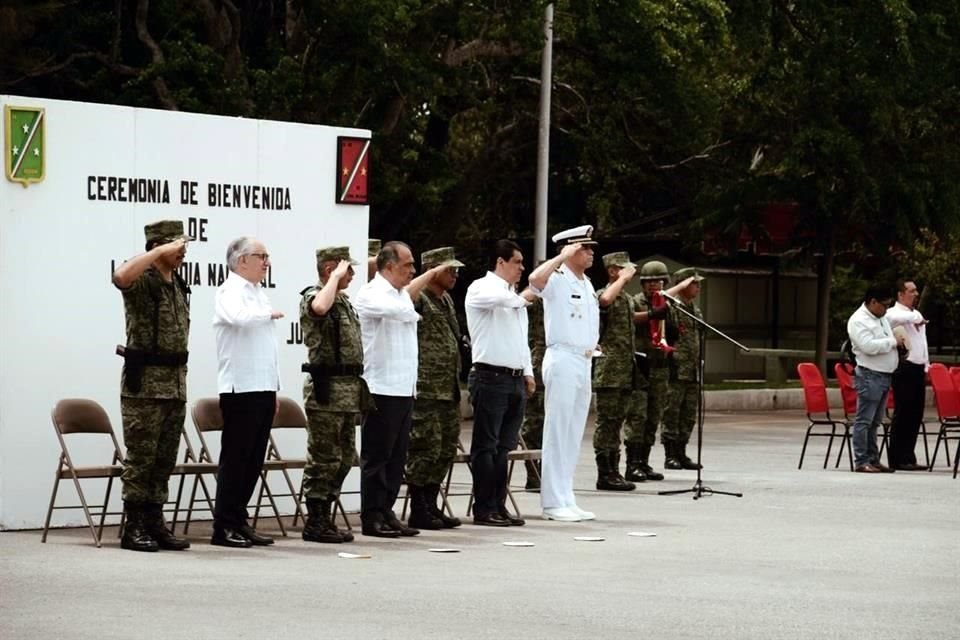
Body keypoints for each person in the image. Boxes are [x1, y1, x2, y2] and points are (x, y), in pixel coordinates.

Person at [354, 241, 444, 537]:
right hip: (381, 387)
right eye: (408, 265)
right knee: (377, 456)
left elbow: (404, 305)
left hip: (404, 387)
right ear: (389, 266)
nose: (412, 270)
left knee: (396, 457)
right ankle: (372, 515)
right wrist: (411, 307)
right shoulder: (370, 293)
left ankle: (387, 510)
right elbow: (397, 311)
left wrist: (410, 299)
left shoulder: (400, 294)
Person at [112, 220, 192, 552]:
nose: (183, 252)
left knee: (164, 459)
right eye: (178, 246)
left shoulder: (178, 283)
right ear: (159, 246)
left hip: (174, 385)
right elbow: (120, 277)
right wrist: (158, 252)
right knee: (141, 459)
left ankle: (155, 522)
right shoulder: (143, 280)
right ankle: (134, 527)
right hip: (144, 386)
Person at [211, 236, 284, 547]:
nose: (267, 262)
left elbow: (266, 348)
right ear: (242, 260)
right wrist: (268, 314)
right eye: (261, 256)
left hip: (262, 386)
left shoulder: (258, 292)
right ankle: (224, 525)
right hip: (240, 388)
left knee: (254, 459)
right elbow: (237, 318)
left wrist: (274, 389)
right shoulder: (229, 290)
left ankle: (240, 520)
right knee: (236, 458)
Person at [527, 226, 600, 522]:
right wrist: (560, 258)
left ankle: (566, 496)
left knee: (573, 432)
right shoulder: (557, 279)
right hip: (563, 358)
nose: (591, 253)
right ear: (569, 250)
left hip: (584, 360)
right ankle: (552, 502)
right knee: (557, 432)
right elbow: (534, 281)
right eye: (585, 248)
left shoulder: (586, 282)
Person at [464, 239, 535, 527]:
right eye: (517, 262)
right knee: (487, 446)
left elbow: (520, 339)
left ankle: (498, 504)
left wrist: (528, 371)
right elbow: (508, 300)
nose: (522, 268)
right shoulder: (481, 288)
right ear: (500, 262)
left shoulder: (512, 295)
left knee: (504, 447)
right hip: (490, 376)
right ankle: (484, 508)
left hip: (514, 377)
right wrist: (533, 289)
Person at [299, 246, 364, 544]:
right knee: (324, 457)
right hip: (326, 389)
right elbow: (319, 309)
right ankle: (315, 520)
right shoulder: (315, 296)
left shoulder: (344, 301)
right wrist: (335, 278)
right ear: (330, 269)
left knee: (345, 457)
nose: (352, 274)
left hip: (348, 390)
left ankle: (326, 514)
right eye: (348, 268)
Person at [405, 247, 466, 530]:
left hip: (448, 388)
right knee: (424, 449)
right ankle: (418, 508)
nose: (454, 274)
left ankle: (431, 503)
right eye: (448, 269)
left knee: (445, 449)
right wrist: (427, 276)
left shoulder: (446, 300)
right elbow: (404, 297)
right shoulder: (419, 297)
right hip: (427, 388)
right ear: (432, 270)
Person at [592, 251, 639, 492]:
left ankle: (614, 470)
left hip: (625, 369)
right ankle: (605, 473)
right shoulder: (603, 293)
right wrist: (621, 279)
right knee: (607, 422)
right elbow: (604, 301)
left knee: (617, 421)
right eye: (623, 268)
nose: (630, 272)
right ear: (612, 271)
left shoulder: (628, 299)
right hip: (609, 369)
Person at [847, 284, 904, 473]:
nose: (886, 310)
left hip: (884, 374)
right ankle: (862, 460)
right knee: (864, 420)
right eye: (884, 305)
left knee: (875, 422)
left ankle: (873, 458)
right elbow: (868, 346)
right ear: (872, 302)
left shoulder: (880, 318)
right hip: (870, 374)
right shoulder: (859, 320)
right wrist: (892, 342)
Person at [626, 260, 673, 482]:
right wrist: (653, 314)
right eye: (649, 281)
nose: (654, 285)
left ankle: (644, 462)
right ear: (643, 283)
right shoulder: (635, 302)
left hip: (660, 367)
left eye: (659, 281)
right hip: (641, 366)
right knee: (638, 416)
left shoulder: (668, 302)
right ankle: (632, 463)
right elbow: (632, 321)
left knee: (653, 417)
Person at [661, 267, 706, 471]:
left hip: (692, 369)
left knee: (688, 414)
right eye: (694, 283)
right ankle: (670, 454)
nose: (698, 287)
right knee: (672, 412)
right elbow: (661, 300)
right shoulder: (673, 307)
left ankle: (682, 452)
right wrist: (678, 287)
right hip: (676, 368)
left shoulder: (695, 310)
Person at [885, 279, 929, 471]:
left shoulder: (915, 314)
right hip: (904, 367)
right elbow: (894, 318)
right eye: (911, 291)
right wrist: (916, 318)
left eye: (916, 291)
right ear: (900, 294)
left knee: (915, 413)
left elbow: (922, 341)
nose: (915, 294)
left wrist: (926, 364)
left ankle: (908, 456)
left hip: (918, 367)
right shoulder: (893, 313)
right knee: (903, 412)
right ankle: (897, 457)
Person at [520, 292, 545, 491]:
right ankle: (533, 473)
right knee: (534, 422)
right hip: (537, 364)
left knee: (553, 424)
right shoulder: (536, 297)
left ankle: (547, 472)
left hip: (558, 365)